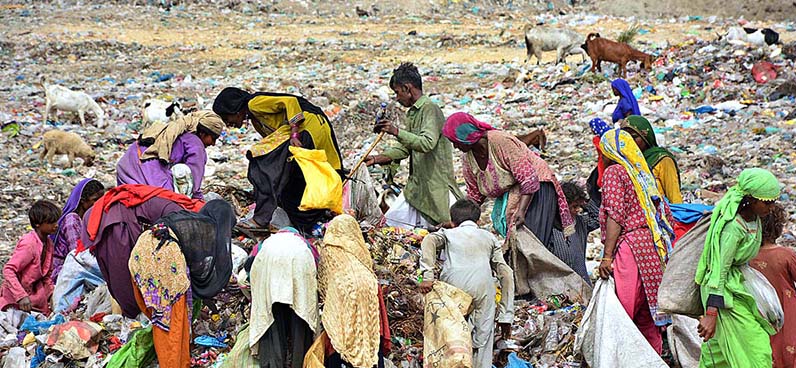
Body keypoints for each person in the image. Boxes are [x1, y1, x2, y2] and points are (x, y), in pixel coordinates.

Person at [682, 169, 791, 368]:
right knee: (754, 346)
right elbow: (717, 270)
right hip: (722, 296)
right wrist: (711, 314)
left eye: (771, 201)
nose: (769, 206)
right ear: (749, 199)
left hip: (735, 288)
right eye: (765, 201)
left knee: (720, 358)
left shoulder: (752, 219)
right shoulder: (732, 227)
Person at [128, 200, 235, 368]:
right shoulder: (208, 229)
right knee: (173, 328)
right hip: (164, 263)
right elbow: (202, 269)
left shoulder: (193, 221)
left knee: (161, 322)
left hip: (141, 255)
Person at [420, 199, 514, 368]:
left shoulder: (447, 234)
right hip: (484, 289)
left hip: (455, 288)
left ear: (453, 221)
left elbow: (428, 242)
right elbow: (505, 273)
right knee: (482, 341)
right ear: (478, 219)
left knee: (453, 338)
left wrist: (427, 274)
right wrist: (506, 314)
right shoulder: (489, 237)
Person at [212, 88, 343, 231]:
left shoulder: (254, 104)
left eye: (226, 118)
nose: (227, 123)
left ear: (235, 110)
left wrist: (294, 134)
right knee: (293, 178)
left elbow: (290, 101)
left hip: (305, 129)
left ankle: (261, 218)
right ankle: (305, 223)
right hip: (315, 128)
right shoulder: (256, 119)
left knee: (262, 168)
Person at [441, 112, 574, 249]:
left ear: (465, 136)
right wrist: (457, 221)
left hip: (537, 188)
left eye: (456, 142)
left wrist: (521, 211)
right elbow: (475, 195)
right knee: (517, 245)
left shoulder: (500, 141)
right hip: (514, 193)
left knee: (533, 243)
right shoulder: (468, 159)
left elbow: (528, 177)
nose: (455, 147)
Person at [597, 129, 673, 354]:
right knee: (648, 316)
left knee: (623, 313)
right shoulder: (640, 173)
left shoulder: (614, 173)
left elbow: (616, 214)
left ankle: (622, 362)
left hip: (630, 247)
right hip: (651, 246)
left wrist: (608, 255)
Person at [81, 184, 204, 318]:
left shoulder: (180, 210)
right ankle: (137, 311)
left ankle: (139, 311)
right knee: (123, 274)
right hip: (113, 228)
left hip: (117, 222)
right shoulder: (182, 214)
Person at [366, 63, 461, 229]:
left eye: (397, 92)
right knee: (392, 224)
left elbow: (427, 143)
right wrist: (375, 159)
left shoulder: (430, 109)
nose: (397, 97)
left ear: (407, 88)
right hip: (417, 188)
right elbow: (405, 148)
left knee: (445, 231)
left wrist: (396, 131)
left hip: (436, 186)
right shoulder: (413, 113)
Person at [318, 214, 390, 368]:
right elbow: (370, 267)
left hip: (342, 288)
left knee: (337, 339)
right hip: (368, 286)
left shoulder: (329, 248)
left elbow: (323, 279)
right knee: (369, 339)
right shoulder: (358, 246)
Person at [249, 227, 319, 368]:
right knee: (299, 338)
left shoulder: (264, 245)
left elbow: (252, 272)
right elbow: (316, 268)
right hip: (298, 285)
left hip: (271, 288)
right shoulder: (305, 245)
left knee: (274, 339)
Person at [751, 204, 796, 368]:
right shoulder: (786, 255)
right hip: (787, 313)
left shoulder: (747, 255)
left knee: (765, 354)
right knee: (788, 352)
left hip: (759, 313)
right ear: (779, 228)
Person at [116, 111, 225, 200]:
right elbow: (194, 178)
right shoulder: (195, 143)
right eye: (213, 138)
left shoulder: (177, 133)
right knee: (168, 202)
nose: (213, 143)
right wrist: (198, 201)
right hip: (144, 166)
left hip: (126, 166)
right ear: (203, 133)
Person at [0, 200, 60, 314]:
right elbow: (9, 270)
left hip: (35, 296)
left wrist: (52, 295)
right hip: (15, 299)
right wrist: (21, 296)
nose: (56, 225)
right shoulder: (29, 244)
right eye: (51, 222)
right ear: (38, 224)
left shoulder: (49, 243)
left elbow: (46, 276)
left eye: (56, 221)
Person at [51, 178, 105, 281]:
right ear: (83, 201)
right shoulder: (72, 220)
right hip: (64, 271)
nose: (100, 204)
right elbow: (77, 255)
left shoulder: (88, 218)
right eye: (95, 200)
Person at [621, 115, 682, 203]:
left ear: (645, 137)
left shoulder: (661, 160)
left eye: (634, 137)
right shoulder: (624, 161)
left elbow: (674, 196)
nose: (629, 141)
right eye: (625, 138)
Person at [550, 182, 599, 284]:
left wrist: (587, 201)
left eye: (579, 206)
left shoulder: (580, 223)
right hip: (560, 282)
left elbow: (598, 218)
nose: (578, 210)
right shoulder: (551, 227)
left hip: (581, 279)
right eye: (574, 206)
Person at [586, 118, 612, 206]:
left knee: (598, 184)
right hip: (611, 163)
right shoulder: (611, 135)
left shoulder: (598, 139)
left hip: (604, 164)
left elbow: (604, 156)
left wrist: (604, 170)